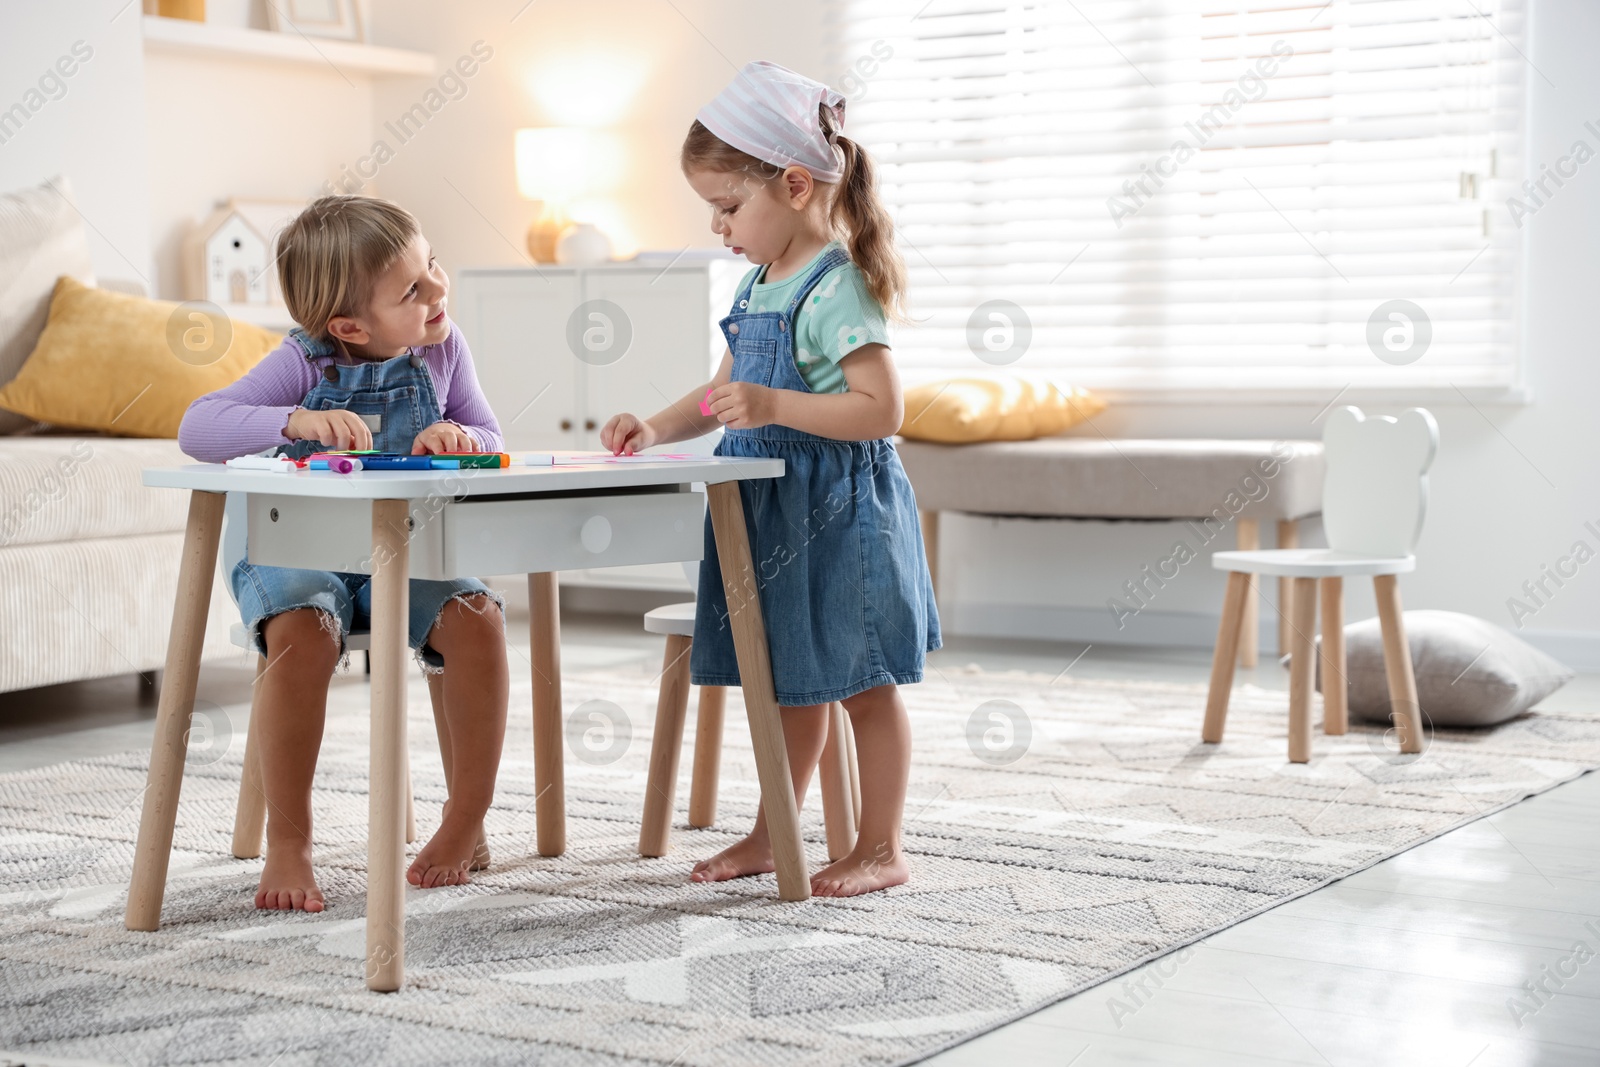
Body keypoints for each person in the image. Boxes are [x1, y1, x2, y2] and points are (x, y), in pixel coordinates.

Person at [600, 62, 939, 897]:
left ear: (792, 185)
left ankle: (882, 845)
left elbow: (880, 410)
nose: (719, 227)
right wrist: (657, 426)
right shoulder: (758, 283)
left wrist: (772, 401)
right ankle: (772, 829)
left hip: (842, 513)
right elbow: (725, 395)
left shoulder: (837, 286)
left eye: (727, 207)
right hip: (775, 513)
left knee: (862, 682)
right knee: (792, 678)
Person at [179, 195, 509, 911]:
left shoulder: (443, 348)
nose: (437, 292)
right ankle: (290, 839)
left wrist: (463, 441)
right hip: (297, 554)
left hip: (405, 552)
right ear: (350, 326)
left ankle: (466, 818)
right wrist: (295, 419)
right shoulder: (302, 361)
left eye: (433, 268)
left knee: (479, 618)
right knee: (303, 635)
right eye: (412, 290)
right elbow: (199, 426)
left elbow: (490, 431)